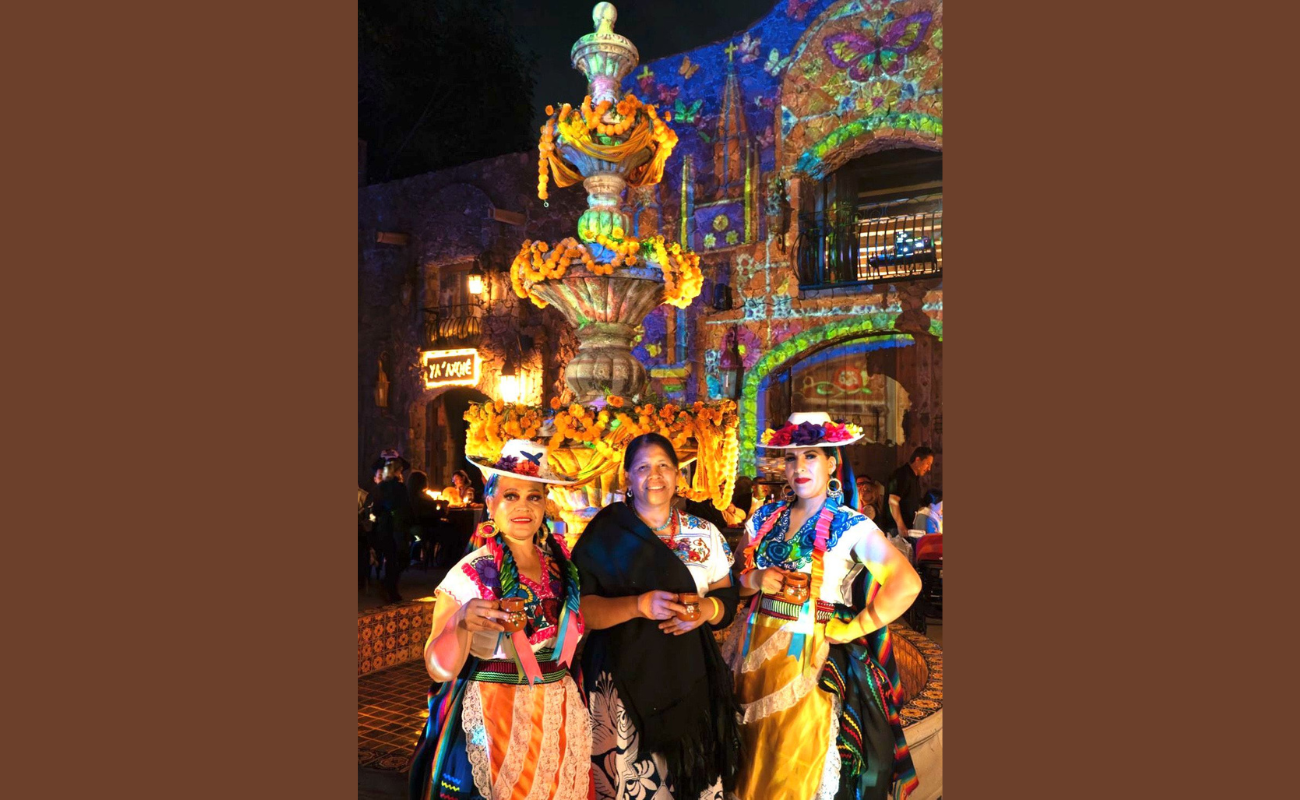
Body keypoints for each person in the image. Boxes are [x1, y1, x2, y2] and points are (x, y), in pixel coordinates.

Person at [725, 412, 923, 800]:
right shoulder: (764, 518)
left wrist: (853, 628)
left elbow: (907, 582)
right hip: (747, 657)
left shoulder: (850, 525)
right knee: (746, 763)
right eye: (791, 458)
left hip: (808, 660)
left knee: (793, 768)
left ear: (832, 463)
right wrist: (754, 579)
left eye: (810, 456)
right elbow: (733, 582)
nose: (799, 467)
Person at [408, 439, 590, 800]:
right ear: (490, 502)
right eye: (510, 495)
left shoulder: (560, 565)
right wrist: (460, 622)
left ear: (545, 504)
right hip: (496, 716)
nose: (523, 506)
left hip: (558, 709)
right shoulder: (471, 573)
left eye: (534, 496)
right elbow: (437, 668)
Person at [572, 432, 743, 800]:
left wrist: (705, 611)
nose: (655, 475)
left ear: (678, 475)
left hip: (690, 676)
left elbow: (726, 598)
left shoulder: (705, 533)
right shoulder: (605, 534)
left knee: (688, 779)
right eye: (643, 467)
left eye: (664, 465)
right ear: (627, 478)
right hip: (620, 682)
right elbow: (583, 612)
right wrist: (638, 605)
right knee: (629, 783)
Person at [365, 449, 414, 604]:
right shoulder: (399, 488)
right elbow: (406, 507)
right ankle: (390, 587)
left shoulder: (381, 487)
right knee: (398, 558)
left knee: (393, 558)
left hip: (386, 527)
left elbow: (376, 509)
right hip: (395, 527)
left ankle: (390, 586)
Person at [885, 446, 934, 535]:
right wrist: (901, 526)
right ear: (918, 460)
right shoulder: (902, 474)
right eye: (927, 463)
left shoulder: (914, 478)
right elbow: (893, 501)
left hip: (907, 529)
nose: (929, 468)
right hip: (895, 530)